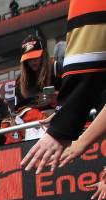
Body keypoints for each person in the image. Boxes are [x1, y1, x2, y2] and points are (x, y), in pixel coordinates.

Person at [21, 0, 106, 173]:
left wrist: (65, 122)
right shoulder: (22, 81)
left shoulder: (56, 66)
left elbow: (87, 62)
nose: (34, 62)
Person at [15, 35, 57, 112]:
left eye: (35, 56)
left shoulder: (55, 68)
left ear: (43, 54)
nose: (33, 61)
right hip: (34, 120)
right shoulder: (20, 80)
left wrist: (58, 96)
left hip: (58, 115)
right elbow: (19, 109)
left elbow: (70, 94)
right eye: (29, 58)